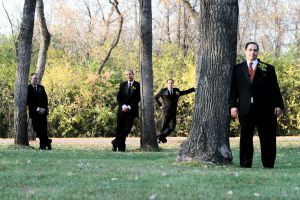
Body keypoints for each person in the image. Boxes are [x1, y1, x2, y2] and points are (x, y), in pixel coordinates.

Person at [230, 42, 284, 168]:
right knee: (245, 138)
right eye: (250, 50)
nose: (252, 52)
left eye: (255, 50)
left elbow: (274, 88)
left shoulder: (268, 68)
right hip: (245, 109)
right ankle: (245, 163)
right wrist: (232, 106)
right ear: (245, 51)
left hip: (265, 109)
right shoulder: (237, 69)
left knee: (268, 138)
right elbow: (233, 90)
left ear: (258, 52)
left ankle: (268, 163)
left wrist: (278, 105)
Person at [154, 79, 195, 143]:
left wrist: (193, 89)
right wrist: (160, 105)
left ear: (173, 84)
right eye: (169, 83)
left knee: (172, 126)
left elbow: (183, 92)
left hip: (173, 112)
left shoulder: (176, 91)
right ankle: (161, 138)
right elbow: (155, 97)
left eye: (171, 83)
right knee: (163, 126)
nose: (170, 84)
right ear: (167, 84)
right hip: (166, 112)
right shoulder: (163, 91)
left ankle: (160, 137)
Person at [112, 69, 141, 152]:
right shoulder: (122, 84)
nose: (128, 76)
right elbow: (119, 97)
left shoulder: (138, 85)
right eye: (127, 75)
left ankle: (115, 142)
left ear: (133, 74)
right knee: (120, 129)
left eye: (130, 74)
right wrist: (124, 106)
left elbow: (137, 98)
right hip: (121, 111)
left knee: (127, 129)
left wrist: (129, 107)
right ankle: (121, 147)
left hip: (131, 111)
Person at [27, 73, 52, 150]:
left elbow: (45, 100)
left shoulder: (41, 87)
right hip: (34, 113)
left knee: (43, 130)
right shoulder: (28, 88)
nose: (36, 80)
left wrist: (44, 109)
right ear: (31, 79)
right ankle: (48, 141)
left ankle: (43, 146)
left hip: (43, 112)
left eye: (37, 78)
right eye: (35, 78)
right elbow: (28, 101)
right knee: (37, 129)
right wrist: (37, 108)